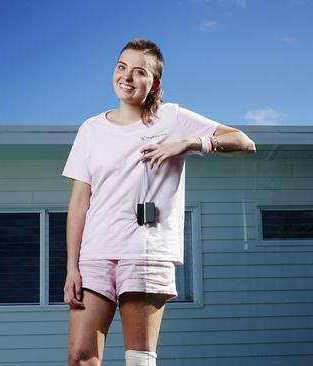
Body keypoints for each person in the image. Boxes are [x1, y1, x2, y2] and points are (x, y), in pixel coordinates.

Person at [61, 38, 256, 366]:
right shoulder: (91, 129)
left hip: (146, 251)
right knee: (79, 357)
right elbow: (79, 201)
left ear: (154, 84)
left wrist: (191, 144)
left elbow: (244, 142)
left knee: (139, 359)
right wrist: (71, 266)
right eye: (122, 67)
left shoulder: (172, 118)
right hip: (95, 254)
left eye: (139, 72)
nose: (127, 76)